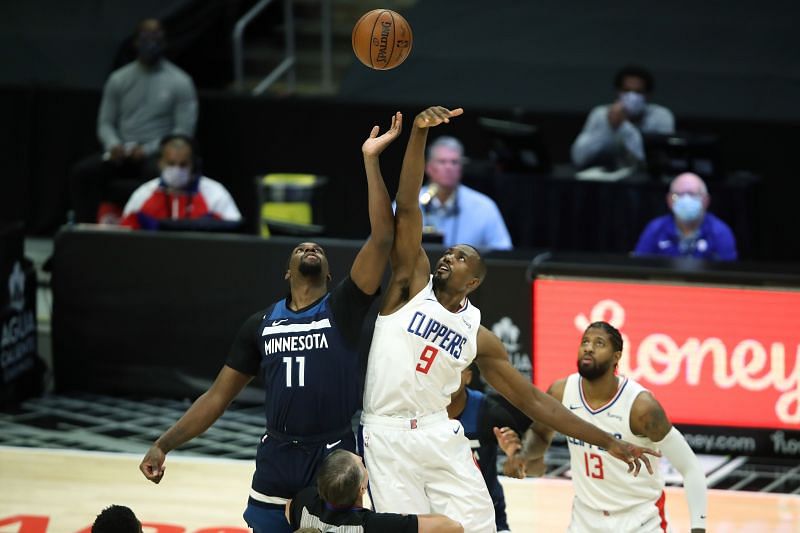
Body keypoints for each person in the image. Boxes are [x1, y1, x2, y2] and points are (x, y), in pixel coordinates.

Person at [360, 105, 658, 533]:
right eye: (448, 252)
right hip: (386, 434)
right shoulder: (410, 286)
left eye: (461, 257)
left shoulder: (477, 337)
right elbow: (407, 208)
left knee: (480, 524)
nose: (449, 256)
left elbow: (536, 403)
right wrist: (419, 135)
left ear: (474, 281)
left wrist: (609, 441)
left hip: (437, 432)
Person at [139, 112, 403, 533]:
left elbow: (383, 239)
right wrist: (163, 443)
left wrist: (371, 161)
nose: (309, 247)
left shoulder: (345, 307)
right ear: (287, 270)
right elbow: (216, 398)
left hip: (332, 453)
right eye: (301, 247)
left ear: (331, 275)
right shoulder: (260, 325)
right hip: (277, 454)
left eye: (317, 247)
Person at [505, 321, 708, 532]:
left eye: (599, 343)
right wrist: (521, 455)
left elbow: (690, 467)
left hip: (639, 520)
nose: (588, 347)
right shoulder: (561, 391)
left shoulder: (641, 407)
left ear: (616, 357)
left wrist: (698, 528)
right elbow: (539, 434)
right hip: (585, 520)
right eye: (585, 341)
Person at [70, 18, 198, 224]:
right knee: (83, 172)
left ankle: (149, 230)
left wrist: (148, 150)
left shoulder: (180, 82)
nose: (151, 43)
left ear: (164, 42)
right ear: (136, 42)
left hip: (156, 154)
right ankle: (86, 230)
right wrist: (114, 145)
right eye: (146, 38)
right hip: (121, 152)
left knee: (157, 172)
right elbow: (105, 123)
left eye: (156, 38)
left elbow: (183, 132)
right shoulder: (119, 79)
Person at [287, 450, 463, 532]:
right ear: (362, 489)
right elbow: (454, 528)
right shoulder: (374, 525)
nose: (362, 459)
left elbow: (289, 508)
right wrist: (406, 519)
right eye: (361, 463)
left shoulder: (305, 501)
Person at [446, 363, 522, 533]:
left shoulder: (488, 410)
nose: (448, 376)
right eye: (443, 368)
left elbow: (521, 466)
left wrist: (514, 458)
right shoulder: (423, 411)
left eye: (455, 370)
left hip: (487, 512)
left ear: (468, 377)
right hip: (440, 512)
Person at [120, 135, 242, 230]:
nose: (177, 170)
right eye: (171, 164)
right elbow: (125, 235)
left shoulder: (215, 194)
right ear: (160, 163)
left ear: (193, 164)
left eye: (183, 165)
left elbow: (235, 230)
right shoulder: (143, 195)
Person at [571, 65, 674, 170]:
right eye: (626, 90)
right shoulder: (600, 114)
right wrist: (609, 127)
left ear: (648, 95)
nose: (632, 97)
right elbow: (579, 157)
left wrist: (623, 126)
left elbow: (648, 160)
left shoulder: (661, 116)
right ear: (618, 92)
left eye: (638, 92)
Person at [418, 136, 512, 250]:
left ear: (461, 167)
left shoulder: (484, 207)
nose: (449, 167)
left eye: (454, 162)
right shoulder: (408, 203)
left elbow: (503, 253)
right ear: (428, 167)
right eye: (442, 161)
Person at [633, 172, 737, 260]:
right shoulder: (655, 229)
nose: (685, 199)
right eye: (678, 195)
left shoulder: (720, 233)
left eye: (692, 194)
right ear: (669, 201)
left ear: (706, 200)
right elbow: (639, 267)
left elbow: (729, 275)